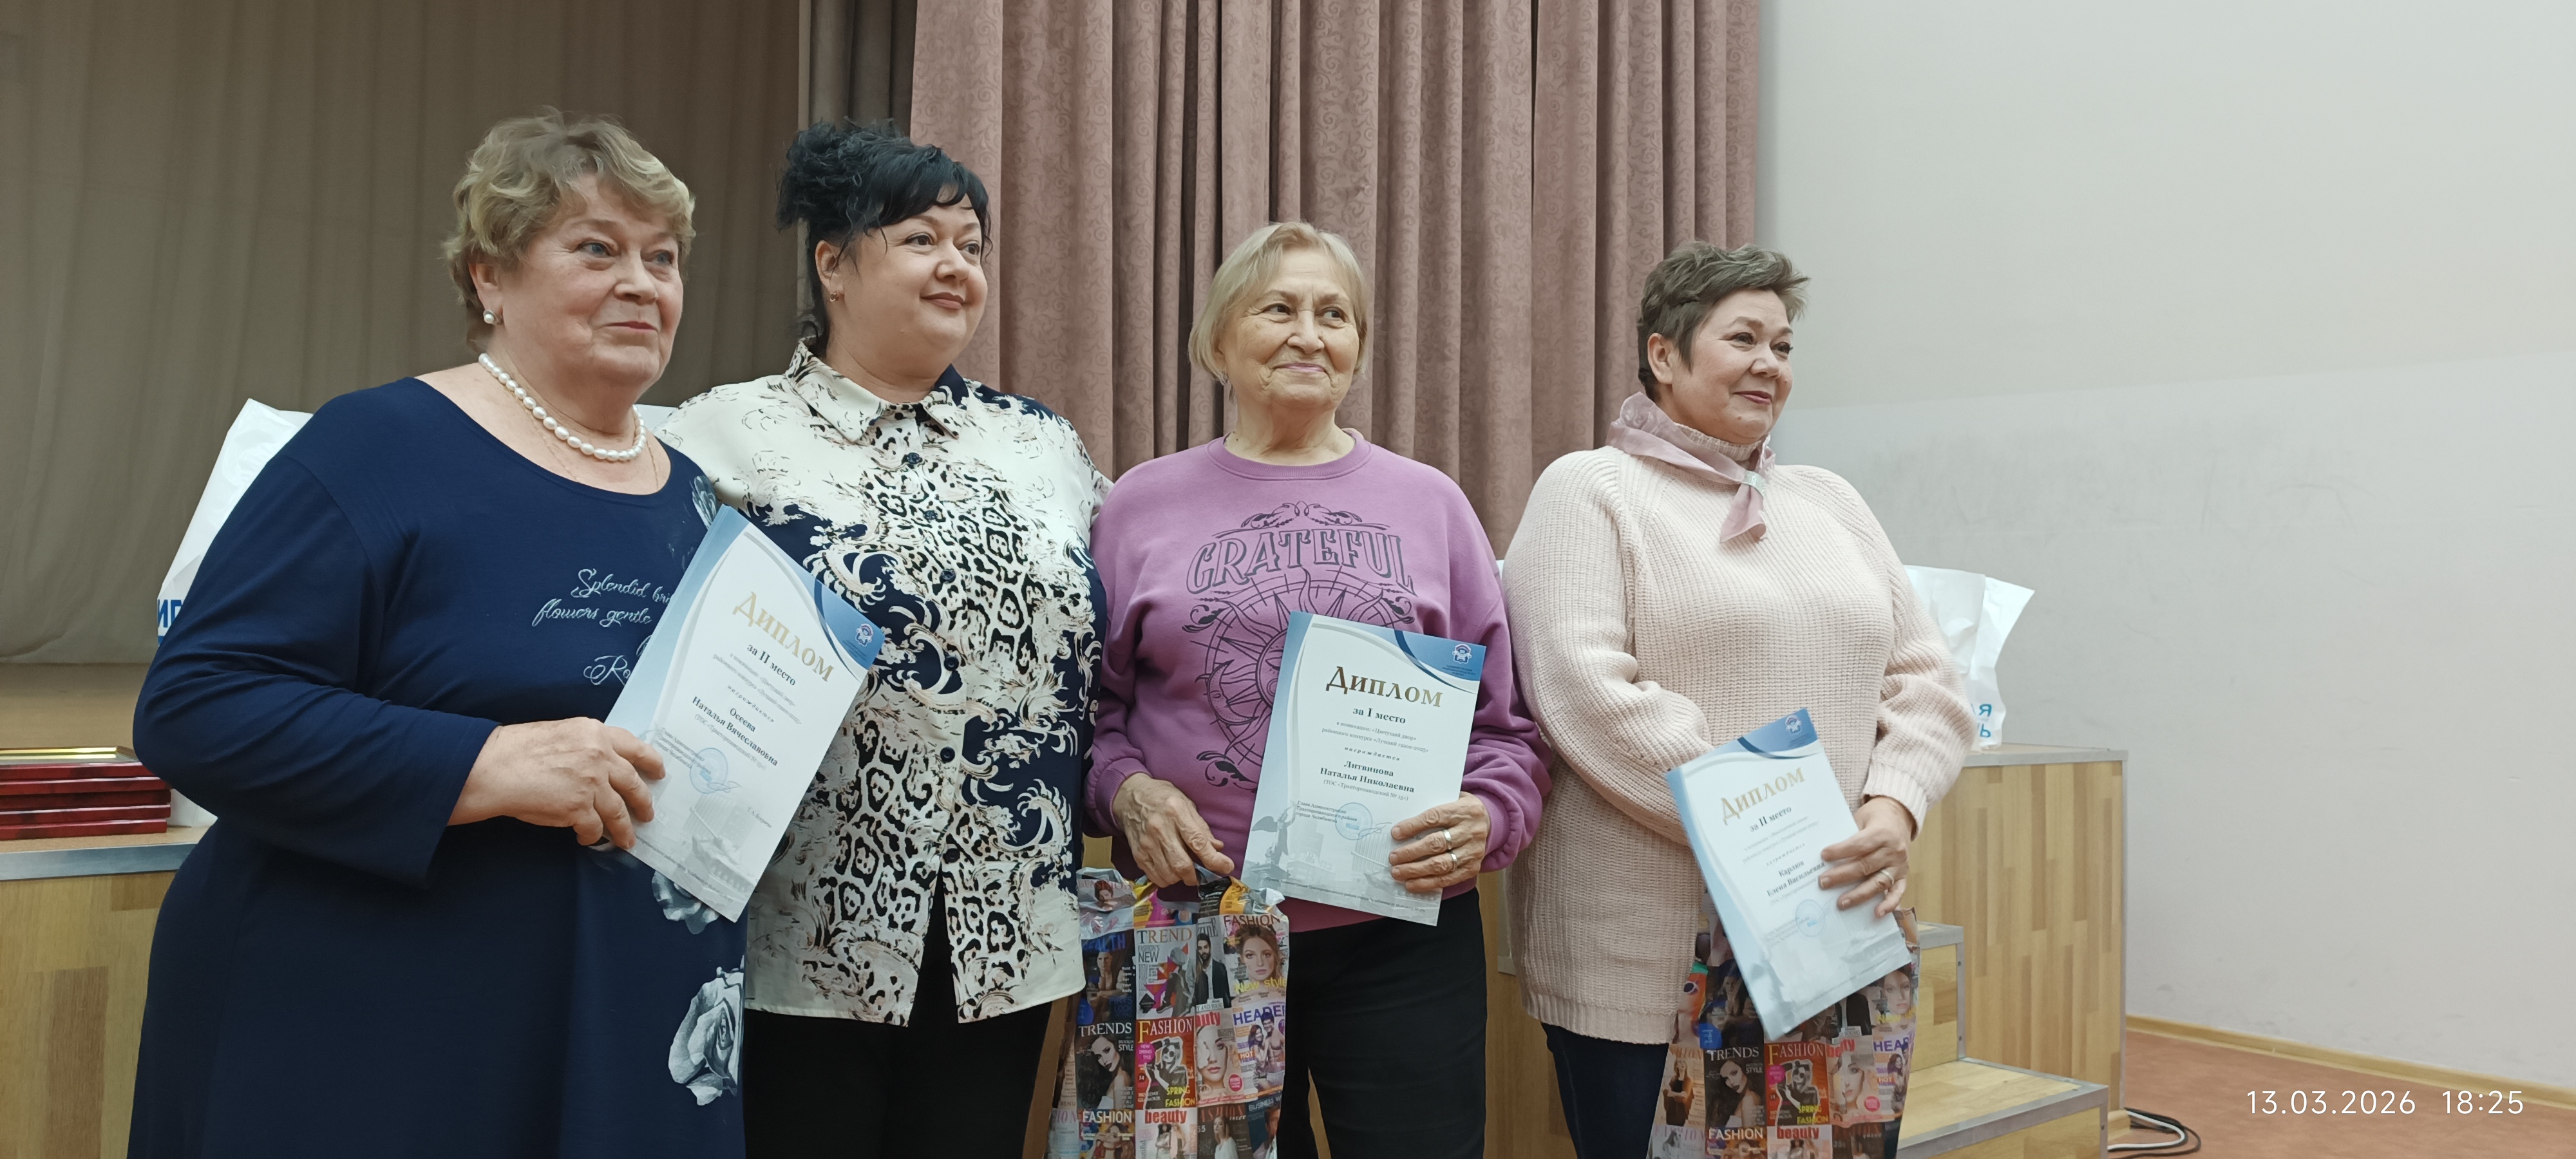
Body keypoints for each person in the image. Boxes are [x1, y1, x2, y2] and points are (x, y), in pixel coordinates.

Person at [127, 111, 741, 1156]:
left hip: (604, 1014)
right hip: (367, 1023)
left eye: (664, 258)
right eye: (597, 249)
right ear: (490, 278)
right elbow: (197, 706)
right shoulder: (379, 446)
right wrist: (483, 763)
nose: (643, 284)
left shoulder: (691, 496)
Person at [658, 122, 1106, 1158]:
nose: (956, 265)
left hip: (1007, 924)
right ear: (833, 264)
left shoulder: (1044, 445)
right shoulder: (719, 433)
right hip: (802, 918)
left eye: (972, 245)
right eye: (920, 239)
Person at [1087, 221, 1549, 1158]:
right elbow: (1088, 714)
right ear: (1218, 341)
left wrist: (1490, 813)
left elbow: (1506, 729)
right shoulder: (1139, 504)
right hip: (1195, 920)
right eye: (1279, 309)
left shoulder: (1433, 505)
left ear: (1359, 348)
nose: (1309, 334)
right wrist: (1127, 793)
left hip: (1400, 935)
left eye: (1334, 315)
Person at [1503, 242, 1972, 1158]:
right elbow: (1589, 694)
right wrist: (1785, 836)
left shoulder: (1830, 499)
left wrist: (1892, 806)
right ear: (1663, 354)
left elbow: (1927, 679)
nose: (1770, 364)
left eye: (1784, 346)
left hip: (1825, 927)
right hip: (1645, 951)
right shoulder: (1588, 489)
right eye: (1744, 339)